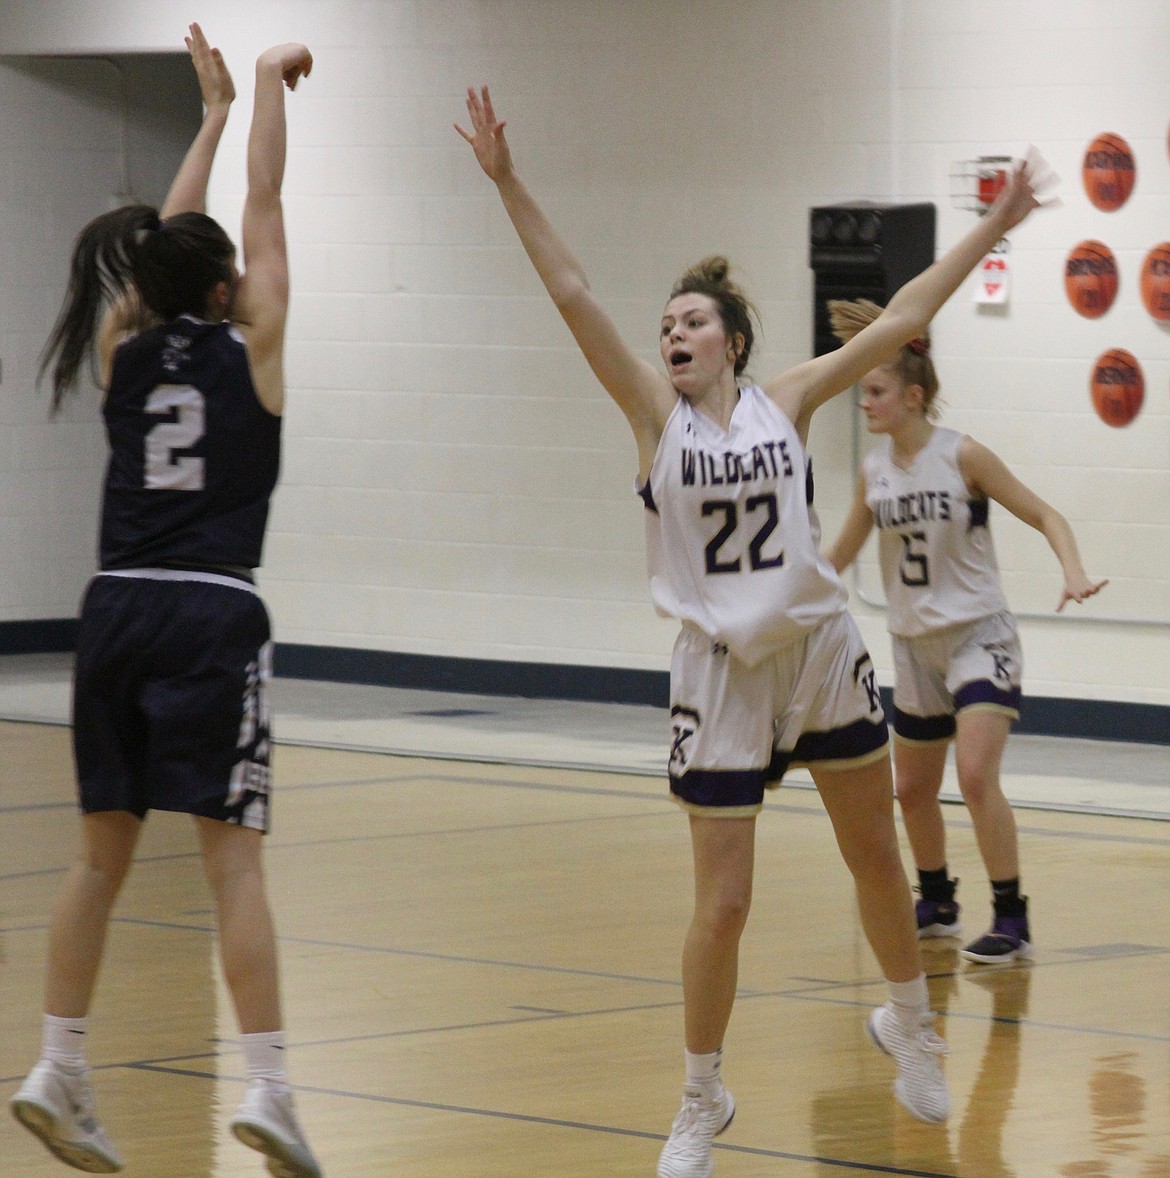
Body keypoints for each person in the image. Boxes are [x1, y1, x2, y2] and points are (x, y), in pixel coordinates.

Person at [457, 85, 1049, 1177]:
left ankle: (912, 1026)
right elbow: (574, 289)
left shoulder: (789, 398)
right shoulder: (651, 412)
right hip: (720, 673)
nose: (671, 332)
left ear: (732, 339)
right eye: (667, 324)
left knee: (875, 850)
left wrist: (994, 224)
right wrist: (506, 182)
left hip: (821, 654)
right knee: (721, 904)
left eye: (691, 321)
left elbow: (909, 310)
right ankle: (700, 1094)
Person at [9, 25, 323, 1178]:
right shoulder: (258, 348)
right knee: (233, 863)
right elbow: (269, 200)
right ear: (228, 285)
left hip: (112, 609)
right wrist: (273, 92)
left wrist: (213, 110)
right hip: (207, 609)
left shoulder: (121, 347)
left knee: (98, 859)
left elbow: (170, 251)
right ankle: (276, 1090)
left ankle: (56, 1062)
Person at [824, 297, 1105, 967]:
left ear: (913, 397)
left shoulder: (965, 456)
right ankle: (937, 900)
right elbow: (836, 556)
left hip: (980, 635)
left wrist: (1072, 570)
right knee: (913, 791)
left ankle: (1011, 915)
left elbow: (1047, 513)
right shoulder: (874, 474)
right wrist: (777, 591)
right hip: (914, 646)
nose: (864, 404)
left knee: (975, 776)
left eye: (876, 391)